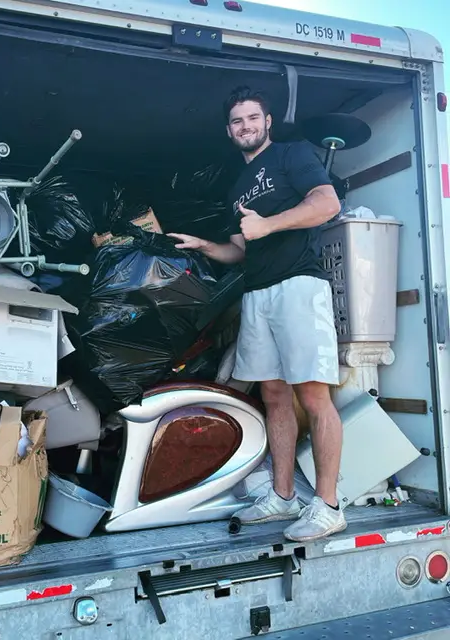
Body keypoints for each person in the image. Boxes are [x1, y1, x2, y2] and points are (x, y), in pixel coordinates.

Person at [168, 86, 345, 543]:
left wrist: (268, 223)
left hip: (298, 287)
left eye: (252, 118)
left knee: (313, 396)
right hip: (258, 293)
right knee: (273, 395)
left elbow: (327, 204)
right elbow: (240, 250)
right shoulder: (236, 187)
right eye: (236, 121)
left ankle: (327, 506)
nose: (245, 126)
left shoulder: (292, 156)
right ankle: (283, 495)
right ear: (229, 131)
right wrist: (206, 246)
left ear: (267, 121)